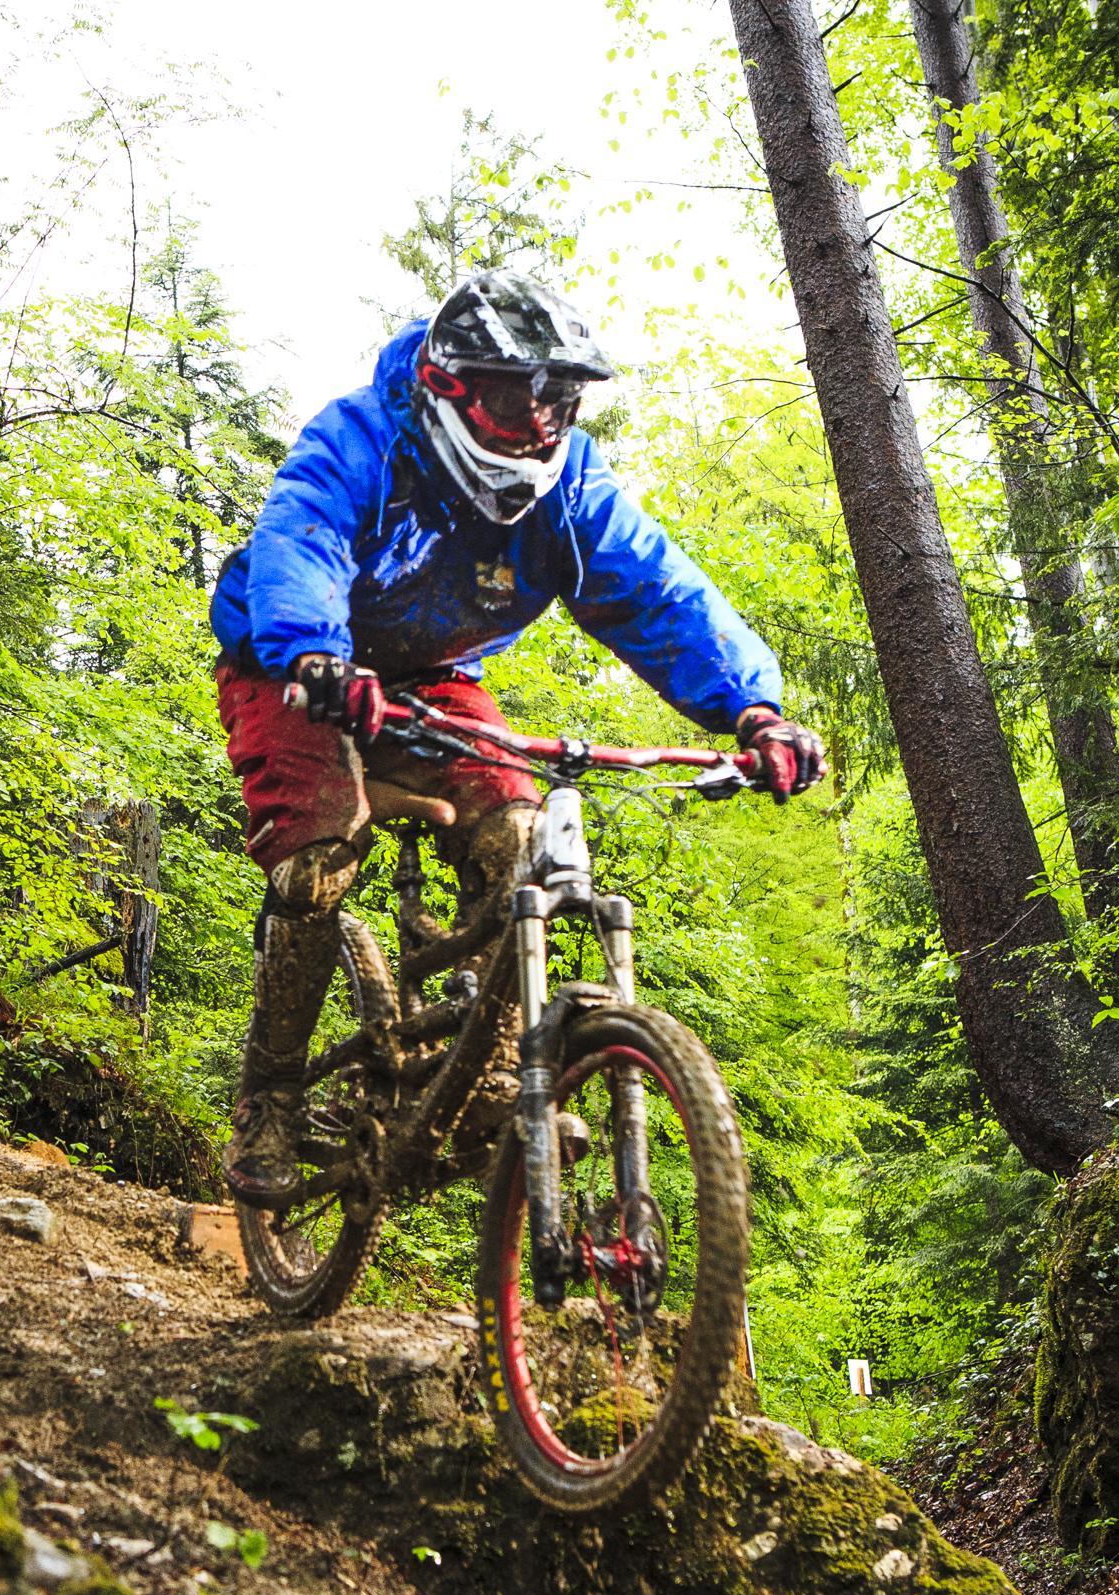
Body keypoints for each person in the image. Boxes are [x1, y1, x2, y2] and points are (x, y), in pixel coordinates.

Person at [209, 268, 827, 1203]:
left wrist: (754, 710)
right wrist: (312, 655)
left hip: (435, 681)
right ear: (448, 385)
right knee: (320, 861)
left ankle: (494, 1075)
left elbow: (659, 589)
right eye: (514, 400)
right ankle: (272, 1097)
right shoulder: (364, 437)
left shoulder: (568, 487)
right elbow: (303, 539)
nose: (541, 426)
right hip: (289, 664)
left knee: (523, 842)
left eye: (559, 402)